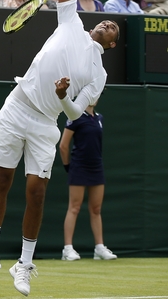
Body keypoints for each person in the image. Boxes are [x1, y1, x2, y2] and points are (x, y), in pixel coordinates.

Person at [0, 0, 118, 297]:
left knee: (37, 193)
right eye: (105, 21)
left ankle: (24, 264)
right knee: (1, 180)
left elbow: (75, 112)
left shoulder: (99, 74)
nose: (107, 24)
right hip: (17, 106)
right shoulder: (71, 21)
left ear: (112, 44)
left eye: (113, 28)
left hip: (45, 123)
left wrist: (62, 95)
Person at [59, 99, 117, 262]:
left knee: (96, 209)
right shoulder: (75, 116)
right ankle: (67, 249)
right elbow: (63, 145)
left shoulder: (99, 118)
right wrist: (68, 166)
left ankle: (99, 248)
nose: (95, 97)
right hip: (79, 166)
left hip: (96, 167)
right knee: (74, 207)